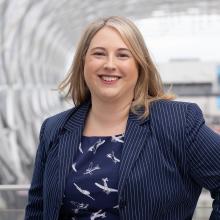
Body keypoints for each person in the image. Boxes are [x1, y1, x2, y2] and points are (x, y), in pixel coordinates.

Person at [24, 16, 220, 220]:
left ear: (139, 65)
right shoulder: (54, 128)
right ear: (83, 63)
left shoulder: (178, 122)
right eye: (99, 54)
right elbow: (38, 209)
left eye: (123, 55)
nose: (110, 64)